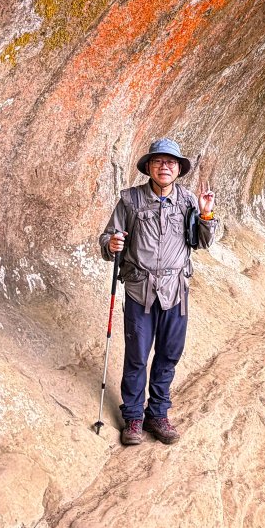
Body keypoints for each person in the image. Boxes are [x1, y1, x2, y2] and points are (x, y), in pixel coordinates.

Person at [99, 138, 221, 446]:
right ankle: (134, 418)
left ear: (178, 169)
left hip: (175, 290)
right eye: (158, 162)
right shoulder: (130, 201)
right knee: (137, 356)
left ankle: (158, 413)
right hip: (141, 288)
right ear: (148, 167)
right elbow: (108, 237)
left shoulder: (189, 201)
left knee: (169, 355)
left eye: (171, 162)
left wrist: (206, 215)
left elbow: (202, 242)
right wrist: (110, 244)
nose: (164, 167)